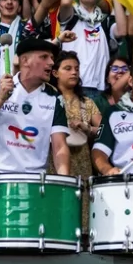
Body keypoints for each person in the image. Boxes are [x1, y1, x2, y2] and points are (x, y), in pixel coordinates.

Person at [0, 38, 70, 176]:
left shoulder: (55, 97)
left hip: (34, 180)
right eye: (44, 57)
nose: (51, 63)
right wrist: (0, 98)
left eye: (52, 58)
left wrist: (64, 180)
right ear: (25, 60)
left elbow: (59, 146)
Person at [49, 51, 102, 235]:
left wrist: (87, 128)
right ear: (55, 73)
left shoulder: (87, 103)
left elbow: (104, 132)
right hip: (52, 161)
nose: (74, 72)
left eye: (77, 69)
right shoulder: (48, 99)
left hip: (82, 164)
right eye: (68, 68)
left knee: (82, 214)